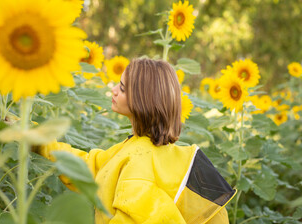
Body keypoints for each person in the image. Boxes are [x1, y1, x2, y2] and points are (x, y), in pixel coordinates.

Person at [39, 58, 236, 224]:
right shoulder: (150, 148)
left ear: (143, 101)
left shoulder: (139, 164)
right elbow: (93, 168)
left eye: (123, 88)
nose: (114, 90)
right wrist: (38, 141)